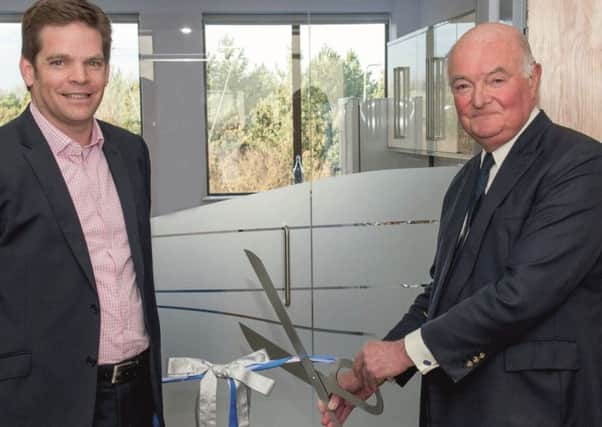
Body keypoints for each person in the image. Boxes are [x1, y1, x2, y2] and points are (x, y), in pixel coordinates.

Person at [320, 22, 602, 427]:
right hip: (460, 405)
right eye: (462, 85)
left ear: (533, 78)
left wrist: (404, 353)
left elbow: (521, 294)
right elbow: (443, 294)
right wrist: (371, 372)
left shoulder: (579, 166)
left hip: (535, 410)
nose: (479, 99)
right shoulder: (467, 179)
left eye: (496, 80)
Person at [0, 0, 164, 425]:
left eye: (94, 62)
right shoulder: (3, 160)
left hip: (135, 395)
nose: (80, 77)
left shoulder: (131, 153)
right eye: (59, 61)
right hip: (40, 404)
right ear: (28, 70)